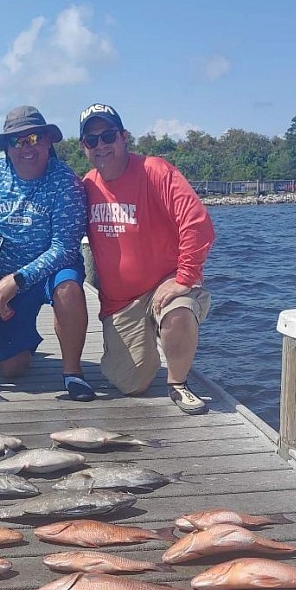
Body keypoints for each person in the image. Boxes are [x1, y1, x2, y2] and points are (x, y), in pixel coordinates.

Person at [79, 103, 215, 414]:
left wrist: (184, 278)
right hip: (119, 303)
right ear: (84, 146)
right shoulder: (86, 185)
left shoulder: (156, 170)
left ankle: (177, 383)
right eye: (92, 139)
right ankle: (136, 345)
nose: (101, 145)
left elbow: (196, 223)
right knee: (131, 384)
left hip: (164, 284)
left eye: (108, 136)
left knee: (178, 309)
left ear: (124, 137)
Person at [0, 105, 95, 403]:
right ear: (6, 147)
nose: (25, 147)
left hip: (49, 273)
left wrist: (16, 280)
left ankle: (73, 373)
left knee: (69, 288)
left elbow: (65, 248)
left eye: (33, 139)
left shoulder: (65, 182)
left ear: (47, 142)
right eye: (16, 141)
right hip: (2, 274)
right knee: (12, 369)